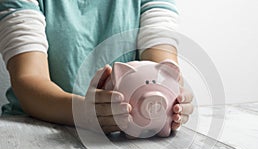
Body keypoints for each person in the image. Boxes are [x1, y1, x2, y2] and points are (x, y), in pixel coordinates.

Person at [0, 0, 193, 135]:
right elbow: (28, 78)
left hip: (125, 136)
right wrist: (82, 112)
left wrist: (172, 97)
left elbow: (162, 66)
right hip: (34, 130)